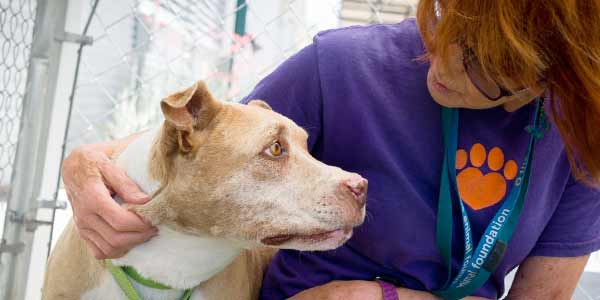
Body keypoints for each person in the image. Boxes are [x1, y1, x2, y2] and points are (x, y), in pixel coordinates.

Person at [62, 0, 600, 299]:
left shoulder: (582, 140)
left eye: (482, 65)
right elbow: (212, 142)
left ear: (550, 81)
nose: (442, 64)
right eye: (444, 22)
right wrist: (87, 162)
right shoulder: (342, 66)